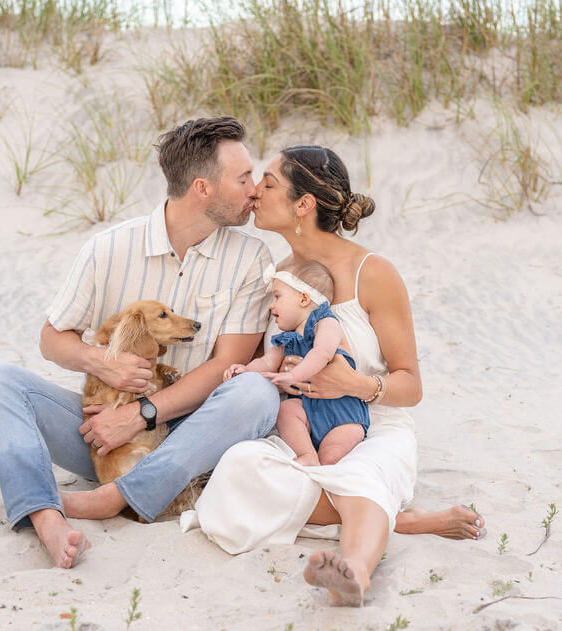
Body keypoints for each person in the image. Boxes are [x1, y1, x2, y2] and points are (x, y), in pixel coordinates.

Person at [181, 145, 486, 606]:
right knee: (239, 469)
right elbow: (267, 359)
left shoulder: (374, 273)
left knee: (361, 473)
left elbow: (411, 386)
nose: (255, 192)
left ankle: (355, 574)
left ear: (303, 205)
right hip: (301, 427)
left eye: (268, 183)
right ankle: (402, 519)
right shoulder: (278, 278)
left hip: (369, 426)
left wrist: (355, 385)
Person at [0, 117, 281, 568]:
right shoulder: (109, 248)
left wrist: (143, 414)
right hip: (106, 437)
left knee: (255, 392)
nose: (254, 188)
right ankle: (46, 516)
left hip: (195, 436)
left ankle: (115, 498)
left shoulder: (251, 258)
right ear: (202, 188)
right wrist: (102, 363)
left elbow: (227, 365)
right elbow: (51, 338)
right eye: (243, 178)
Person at [223, 261, 369, 467]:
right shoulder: (287, 338)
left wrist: (294, 375)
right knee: (285, 410)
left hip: (343, 412)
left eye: (277, 296)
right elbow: (267, 362)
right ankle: (306, 453)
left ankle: (323, 465)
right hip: (307, 408)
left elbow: (322, 352)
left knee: (331, 457)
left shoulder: (326, 323)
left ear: (303, 298)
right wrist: (245, 370)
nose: (271, 305)